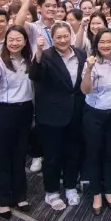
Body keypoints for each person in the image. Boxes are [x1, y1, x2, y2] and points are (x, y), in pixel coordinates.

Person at [30, 21, 86, 211]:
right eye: (58, 37)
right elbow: (35, 75)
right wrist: (38, 52)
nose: (62, 40)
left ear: (71, 35)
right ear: (51, 39)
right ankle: (51, 192)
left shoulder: (80, 54)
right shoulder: (44, 56)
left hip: (76, 114)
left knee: (73, 154)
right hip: (52, 116)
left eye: (65, 36)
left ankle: (70, 186)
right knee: (52, 157)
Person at [0, 26, 35, 217]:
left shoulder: (28, 60)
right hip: (4, 111)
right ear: (6, 41)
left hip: (25, 110)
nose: (14, 43)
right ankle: (3, 199)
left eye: (18, 39)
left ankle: (20, 195)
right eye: (11, 39)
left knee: (20, 155)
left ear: (24, 41)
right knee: (4, 156)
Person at [81, 28, 111, 215]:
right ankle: (96, 194)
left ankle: (108, 191)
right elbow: (85, 90)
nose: (106, 45)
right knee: (94, 155)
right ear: (96, 45)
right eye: (102, 42)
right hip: (94, 115)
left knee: (110, 154)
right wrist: (89, 69)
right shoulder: (91, 63)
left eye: (109, 42)